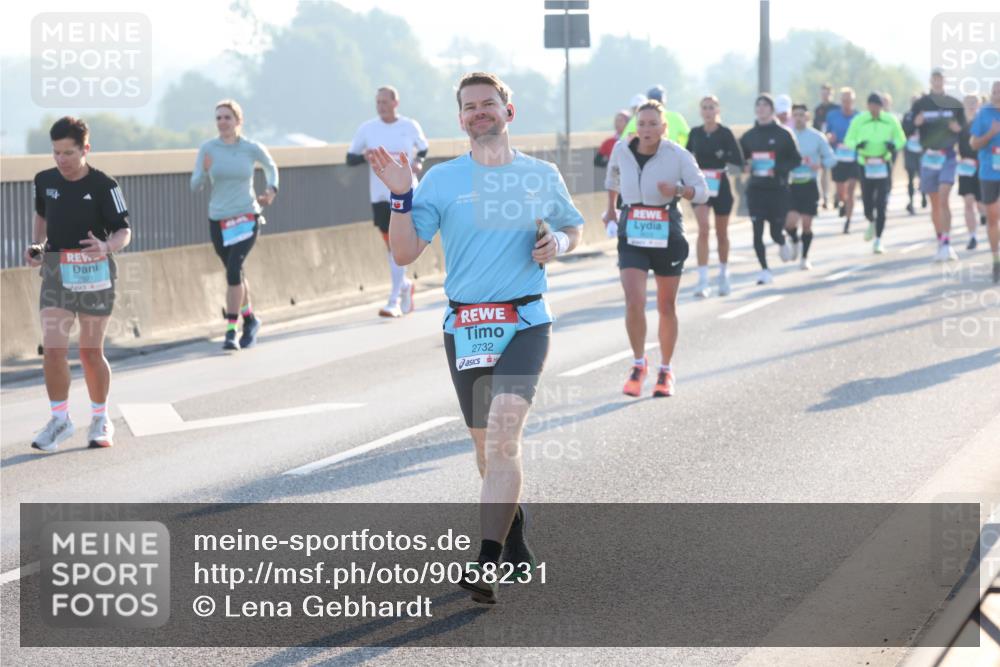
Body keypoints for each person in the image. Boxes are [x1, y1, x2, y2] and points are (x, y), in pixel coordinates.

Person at [369, 72, 584, 604]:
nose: (479, 112)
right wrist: (401, 196)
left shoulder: (540, 174)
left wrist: (558, 242)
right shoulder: (442, 180)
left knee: (504, 433)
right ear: (460, 118)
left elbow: (573, 227)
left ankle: (485, 563)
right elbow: (404, 253)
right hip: (465, 326)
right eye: (469, 106)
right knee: (487, 450)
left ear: (510, 111)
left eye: (489, 103)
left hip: (525, 320)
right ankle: (513, 538)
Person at [26, 117, 132, 451]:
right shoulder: (44, 180)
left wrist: (106, 246)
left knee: (89, 352)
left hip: (94, 273)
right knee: (52, 349)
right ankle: (60, 419)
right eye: (56, 153)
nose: (62, 160)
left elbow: (124, 230)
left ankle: (100, 419)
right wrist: (38, 246)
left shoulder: (104, 185)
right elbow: (42, 215)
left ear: (86, 148)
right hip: (57, 270)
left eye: (69, 153)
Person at [605, 99, 707, 398]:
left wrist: (678, 190)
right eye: (642, 124)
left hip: (666, 230)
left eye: (653, 124)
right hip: (632, 229)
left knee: (666, 306)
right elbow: (612, 177)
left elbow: (703, 191)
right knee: (634, 300)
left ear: (664, 128)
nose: (646, 129)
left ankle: (665, 369)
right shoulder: (622, 148)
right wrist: (611, 208)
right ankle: (639, 364)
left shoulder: (678, 155)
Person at [191, 99, 277, 350]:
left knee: (233, 269)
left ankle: (231, 331)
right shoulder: (208, 149)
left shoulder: (251, 148)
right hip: (219, 219)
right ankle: (250, 319)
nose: (222, 122)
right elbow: (195, 185)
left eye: (227, 117)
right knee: (235, 273)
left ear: (238, 121)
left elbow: (271, 167)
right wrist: (204, 170)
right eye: (218, 118)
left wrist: (271, 189)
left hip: (246, 216)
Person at [348, 86, 429, 318]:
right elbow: (350, 158)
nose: (381, 106)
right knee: (391, 246)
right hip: (380, 195)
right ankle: (404, 286)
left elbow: (423, 149)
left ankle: (394, 298)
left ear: (395, 103)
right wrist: (365, 156)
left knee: (398, 245)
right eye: (378, 102)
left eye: (385, 102)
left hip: (406, 192)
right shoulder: (367, 128)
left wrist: (418, 162)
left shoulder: (409, 126)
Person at [739, 94, 802, 285]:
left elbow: (796, 159)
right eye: (758, 105)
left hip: (777, 190)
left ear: (772, 109)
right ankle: (765, 270)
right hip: (756, 190)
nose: (761, 108)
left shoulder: (784, 134)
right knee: (757, 231)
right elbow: (741, 159)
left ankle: (783, 240)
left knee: (775, 231)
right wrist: (745, 166)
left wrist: (778, 169)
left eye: (765, 105)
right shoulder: (749, 136)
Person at [686, 95, 744, 296]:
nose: (708, 111)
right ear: (700, 111)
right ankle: (703, 280)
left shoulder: (725, 133)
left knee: (721, 233)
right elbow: (686, 157)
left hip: (720, 183)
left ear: (717, 110)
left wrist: (723, 156)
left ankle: (723, 274)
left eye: (711, 107)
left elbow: (738, 160)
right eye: (705, 108)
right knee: (703, 229)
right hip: (701, 184)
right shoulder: (695, 133)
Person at [910, 69, 966, 262]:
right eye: (934, 79)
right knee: (934, 203)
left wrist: (958, 129)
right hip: (928, 157)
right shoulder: (921, 104)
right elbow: (907, 128)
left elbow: (965, 130)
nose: (937, 82)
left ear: (944, 81)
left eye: (940, 79)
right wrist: (916, 123)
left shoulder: (954, 104)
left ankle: (947, 243)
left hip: (948, 156)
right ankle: (940, 241)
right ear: (930, 81)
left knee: (944, 197)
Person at [844, 93, 907, 254]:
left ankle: (878, 240)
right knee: (867, 203)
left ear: (881, 107)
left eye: (877, 106)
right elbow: (848, 139)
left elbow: (901, 139)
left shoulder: (891, 120)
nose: (874, 109)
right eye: (872, 106)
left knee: (881, 203)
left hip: (883, 163)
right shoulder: (859, 120)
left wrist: (893, 146)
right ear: (867, 106)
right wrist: (857, 145)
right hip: (865, 164)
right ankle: (871, 220)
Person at [787, 104, 836, 269]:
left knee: (806, 224)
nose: (798, 118)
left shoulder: (817, 137)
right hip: (792, 184)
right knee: (790, 223)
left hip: (810, 185)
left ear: (807, 117)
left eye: (801, 115)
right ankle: (794, 240)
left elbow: (831, 158)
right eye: (795, 115)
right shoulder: (787, 136)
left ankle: (804, 258)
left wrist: (820, 165)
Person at [969, 80, 1000, 283]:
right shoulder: (984, 114)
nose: (997, 95)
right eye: (995, 92)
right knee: (993, 218)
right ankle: (996, 260)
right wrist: (991, 133)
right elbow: (973, 144)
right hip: (989, 173)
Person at [825, 87, 860, 232]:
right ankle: (843, 203)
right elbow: (826, 132)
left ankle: (848, 221)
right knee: (841, 192)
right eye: (844, 101)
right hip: (838, 157)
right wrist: (829, 137)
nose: (847, 104)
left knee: (851, 189)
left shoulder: (859, 117)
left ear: (853, 101)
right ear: (841, 101)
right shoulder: (832, 116)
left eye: (849, 101)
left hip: (854, 158)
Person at [958, 94, 987, 250]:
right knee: (968, 202)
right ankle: (972, 237)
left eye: (974, 102)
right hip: (965, 167)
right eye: (968, 102)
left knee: (982, 204)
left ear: (979, 104)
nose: (971, 105)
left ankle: (987, 219)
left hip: (982, 166)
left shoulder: (984, 122)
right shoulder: (959, 123)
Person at [620, 85, 691, 147]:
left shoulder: (639, 117)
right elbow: (689, 138)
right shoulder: (676, 117)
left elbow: (623, 140)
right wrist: (680, 147)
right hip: (671, 154)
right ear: (664, 101)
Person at [813, 83, 839, 209]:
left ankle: (837, 196)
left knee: (836, 171)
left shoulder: (836, 108)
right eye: (823, 93)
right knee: (823, 169)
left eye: (827, 93)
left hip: (835, 143)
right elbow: (815, 127)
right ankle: (825, 197)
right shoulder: (818, 109)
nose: (825, 96)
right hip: (822, 143)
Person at [901, 94, 927, 215]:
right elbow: (904, 131)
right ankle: (911, 201)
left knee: (922, 176)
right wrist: (914, 125)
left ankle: (923, 196)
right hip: (910, 150)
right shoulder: (907, 116)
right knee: (910, 177)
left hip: (922, 151)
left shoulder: (926, 115)